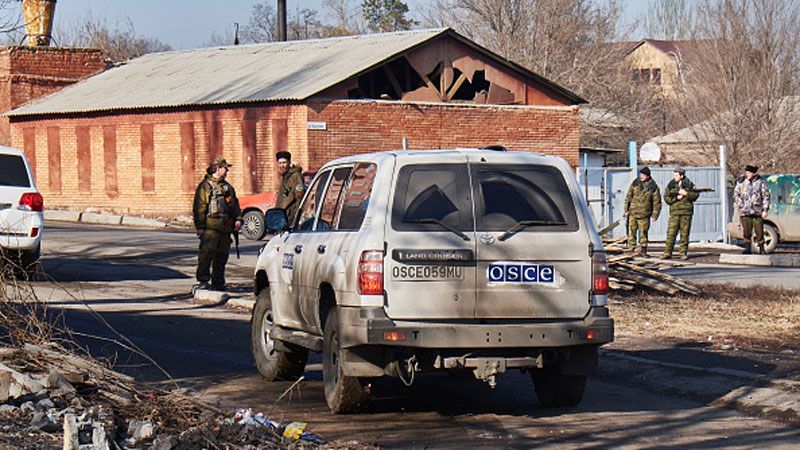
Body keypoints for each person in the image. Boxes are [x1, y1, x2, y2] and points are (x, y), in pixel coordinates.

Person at [193, 157, 242, 291]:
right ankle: (203, 280)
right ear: (218, 168)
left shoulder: (227, 187)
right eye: (225, 168)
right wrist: (200, 226)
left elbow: (234, 205)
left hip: (225, 227)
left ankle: (218, 281)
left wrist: (238, 219)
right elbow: (200, 207)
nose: (227, 171)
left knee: (222, 255)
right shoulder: (206, 186)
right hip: (211, 226)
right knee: (206, 254)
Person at [662, 167, 700, 260]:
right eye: (674, 175)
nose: (675, 177)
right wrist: (676, 197)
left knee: (684, 234)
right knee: (671, 233)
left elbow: (695, 195)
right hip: (674, 212)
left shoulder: (689, 185)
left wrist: (686, 194)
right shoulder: (671, 185)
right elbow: (666, 198)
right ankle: (667, 252)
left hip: (686, 212)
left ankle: (683, 252)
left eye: (676, 175)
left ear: (681, 176)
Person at [624, 166, 661, 257]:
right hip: (633, 213)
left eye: (643, 175)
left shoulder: (653, 187)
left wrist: (655, 214)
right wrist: (626, 210)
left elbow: (657, 202)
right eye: (641, 174)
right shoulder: (635, 184)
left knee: (643, 232)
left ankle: (643, 250)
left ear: (648, 176)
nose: (641, 176)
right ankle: (631, 248)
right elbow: (628, 198)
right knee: (631, 231)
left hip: (644, 214)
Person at [734, 165, 771, 254]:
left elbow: (766, 196)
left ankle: (761, 248)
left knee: (759, 231)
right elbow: (736, 195)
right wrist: (741, 205)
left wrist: (765, 209)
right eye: (746, 172)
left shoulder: (761, 182)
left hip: (757, 211)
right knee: (746, 231)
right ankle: (747, 247)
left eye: (749, 173)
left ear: (754, 173)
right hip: (745, 211)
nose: (747, 174)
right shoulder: (742, 182)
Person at [275, 151, 305, 224]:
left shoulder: (296, 176)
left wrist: (296, 216)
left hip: (291, 217)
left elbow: (299, 197)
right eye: (280, 163)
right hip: (282, 216)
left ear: (289, 162)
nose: (282, 165)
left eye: (284, 162)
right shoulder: (284, 177)